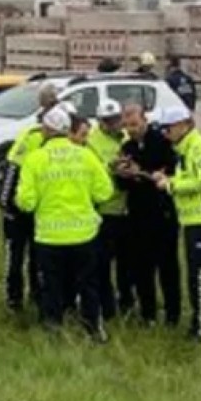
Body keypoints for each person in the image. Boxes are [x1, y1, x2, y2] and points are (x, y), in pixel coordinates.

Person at [16, 105, 116, 339]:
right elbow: (104, 192)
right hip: (84, 234)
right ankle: (93, 328)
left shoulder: (35, 159)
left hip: (49, 236)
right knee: (88, 284)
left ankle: (53, 328)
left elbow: (26, 202)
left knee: (51, 286)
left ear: (46, 130)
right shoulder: (86, 155)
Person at [154, 104, 201, 341]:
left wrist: (171, 186)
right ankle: (198, 323)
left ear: (184, 125)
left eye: (168, 128)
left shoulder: (198, 148)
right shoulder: (184, 149)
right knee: (194, 276)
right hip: (193, 221)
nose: (166, 134)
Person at [0, 83, 64, 312]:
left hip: (41, 206)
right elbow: (12, 168)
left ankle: (37, 295)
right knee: (16, 255)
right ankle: (15, 299)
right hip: (20, 204)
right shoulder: (32, 136)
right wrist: (7, 204)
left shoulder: (61, 134)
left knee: (38, 255)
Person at [115, 100, 182, 326]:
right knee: (142, 267)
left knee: (168, 267)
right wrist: (122, 174)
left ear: (145, 119)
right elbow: (124, 184)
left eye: (135, 124)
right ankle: (148, 314)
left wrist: (140, 173)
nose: (131, 130)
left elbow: (166, 175)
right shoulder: (127, 148)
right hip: (137, 215)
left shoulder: (161, 142)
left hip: (162, 214)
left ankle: (173, 314)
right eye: (127, 126)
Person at [84, 98, 132, 321]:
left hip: (127, 208)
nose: (113, 124)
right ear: (99, 121)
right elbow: (91, 171)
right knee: (102, 264)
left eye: (116, 119)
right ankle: (107, 307)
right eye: (108, 121)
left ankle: (126, 303)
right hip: (105, 210)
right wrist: (111, 167)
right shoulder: (92, 141)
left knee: (126, 263)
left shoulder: (126, 136)